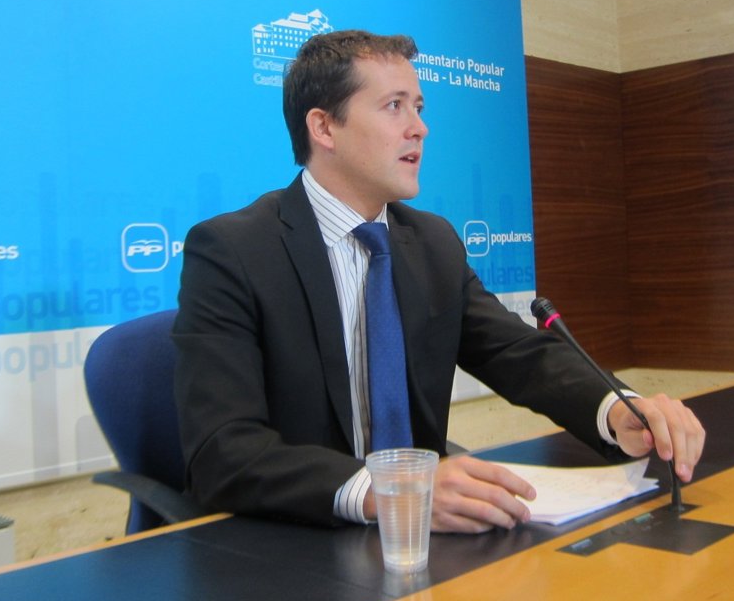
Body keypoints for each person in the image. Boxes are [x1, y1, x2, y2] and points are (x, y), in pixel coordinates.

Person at [173, 29, 705, 532]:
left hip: (429, 543)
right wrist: (388, 492)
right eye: (394, 106)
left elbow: (517, 353)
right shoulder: (234, 251)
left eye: (419, 108)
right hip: (296, 539)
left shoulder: (431, 243)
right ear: (324, 127)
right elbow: (223, 451)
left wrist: (617, 409)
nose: (419, 128)